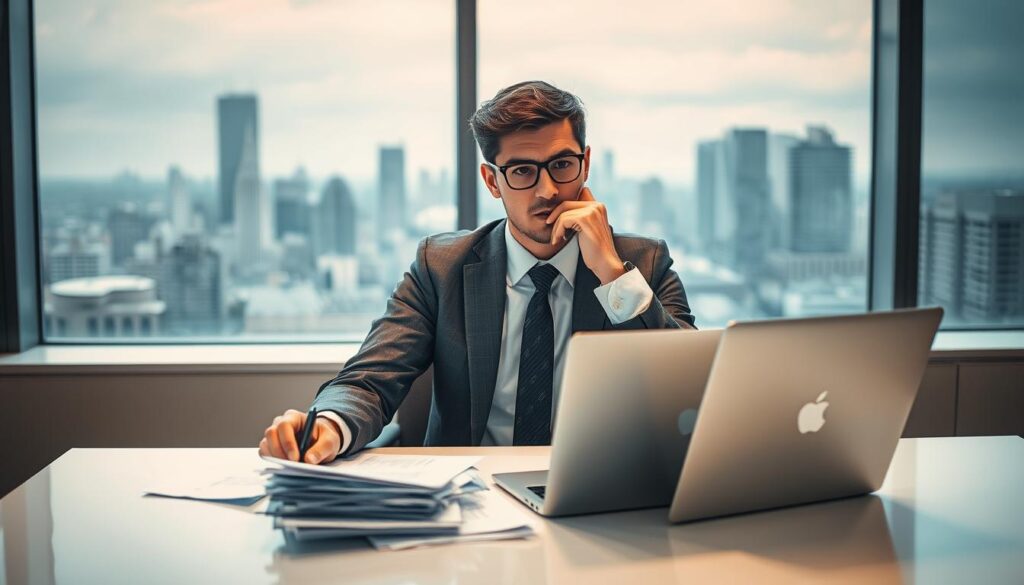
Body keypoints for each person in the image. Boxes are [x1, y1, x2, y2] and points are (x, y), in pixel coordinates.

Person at [259, 80, 696, 464]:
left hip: (600, 499)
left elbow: (687, 394)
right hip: (468, 501)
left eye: (562, 165)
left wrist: (610, 274)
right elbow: (371, 378)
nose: (547, 190)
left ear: (585, 163)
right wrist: (329, 425)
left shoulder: (642, 263)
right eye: (523, 171)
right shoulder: (441, 267)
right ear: (492, 182)